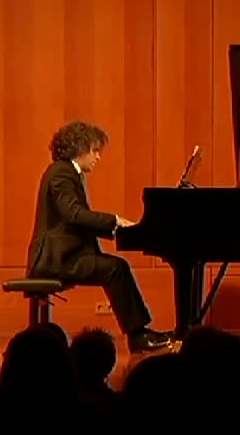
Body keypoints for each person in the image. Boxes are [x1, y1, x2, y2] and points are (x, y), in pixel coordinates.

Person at [26, 120, 171, 353]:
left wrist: (115, 228)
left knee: (116, 267)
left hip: (66, 255)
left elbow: (76, 217)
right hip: (56, 259)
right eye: (94, 150)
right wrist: (115, 221)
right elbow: (73, 214)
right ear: (79, 148)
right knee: (116, 269)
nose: (98, 157)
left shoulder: (68, 173)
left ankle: (139, 334)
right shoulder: (61, 173)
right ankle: (138, 336)